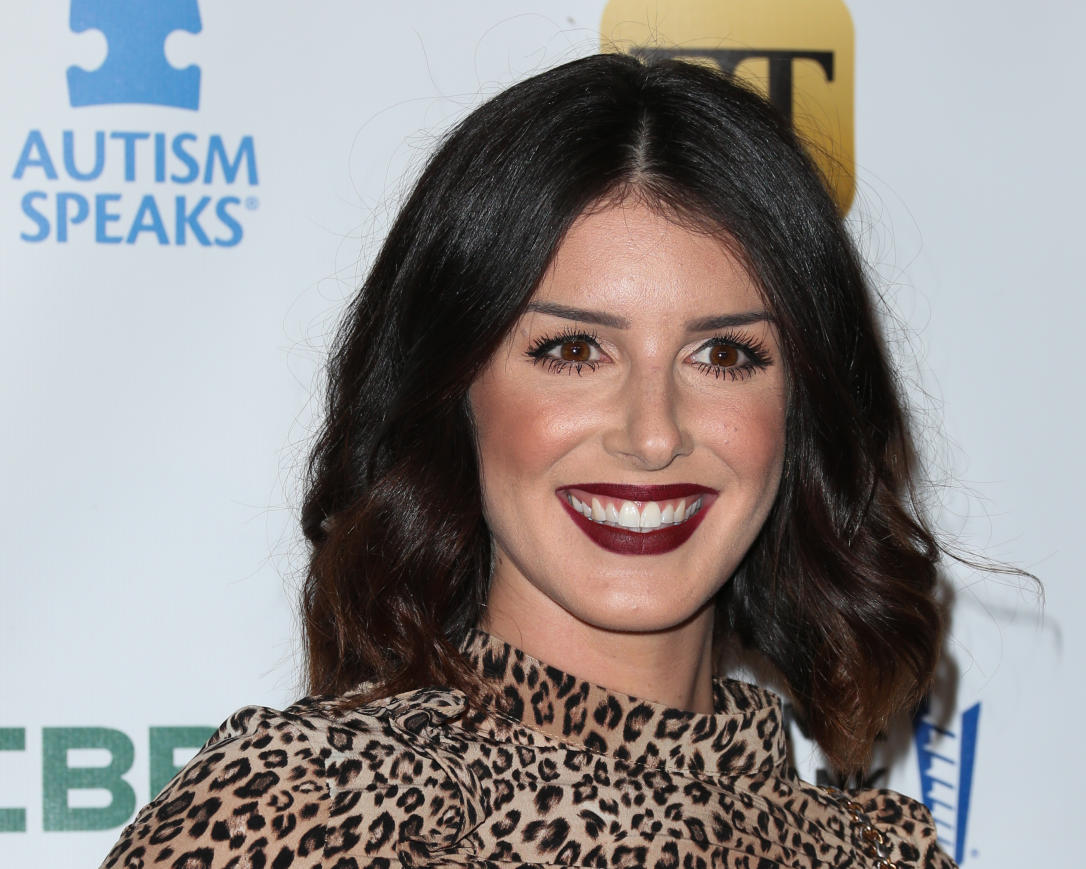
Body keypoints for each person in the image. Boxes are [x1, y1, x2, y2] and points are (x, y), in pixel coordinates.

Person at [102, 54, 954, 868]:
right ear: (454, 386)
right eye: (575, 349)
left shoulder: (879, 854)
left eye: (724, 356)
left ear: (801, 408)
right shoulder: (295, 814)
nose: (653, 434)